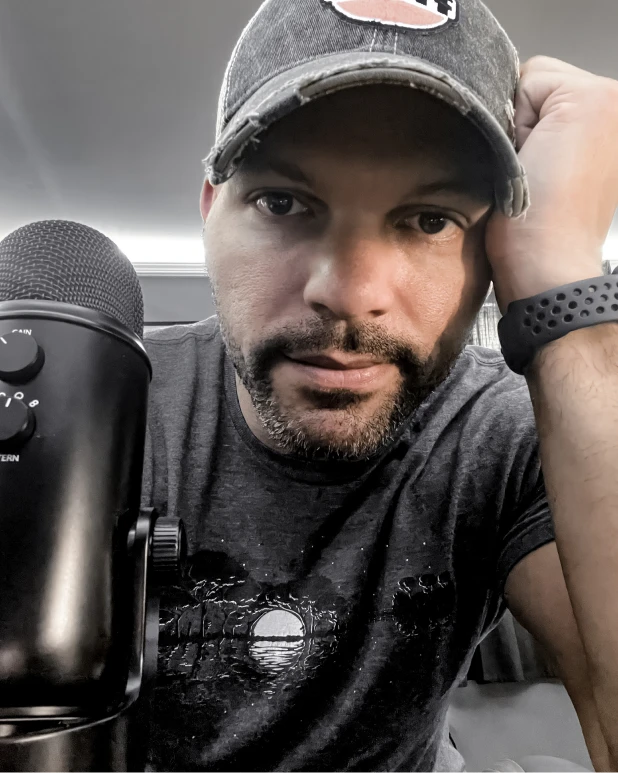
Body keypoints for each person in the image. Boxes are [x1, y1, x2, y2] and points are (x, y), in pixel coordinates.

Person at [140, 0, 618, 770]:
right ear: (209, 212)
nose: (350, 289)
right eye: (285, 202)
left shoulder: (507, 437)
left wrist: (565, 283)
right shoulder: (112, 411)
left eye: (428, 220)